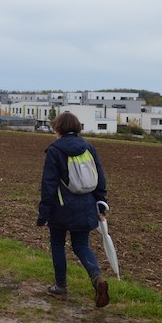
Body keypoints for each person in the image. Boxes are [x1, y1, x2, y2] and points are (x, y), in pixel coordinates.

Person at [37, 111, 109, 308]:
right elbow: (100, 177)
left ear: (57, 128)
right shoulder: (88, 147)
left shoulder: (54, 150)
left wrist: (44, 213)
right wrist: (101, 202)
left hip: (61, 207)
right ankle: (97, 278)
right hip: (86, 205)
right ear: (77, 128)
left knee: (58, 245)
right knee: (81, 246)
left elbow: (49, 184)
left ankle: (60, 287)